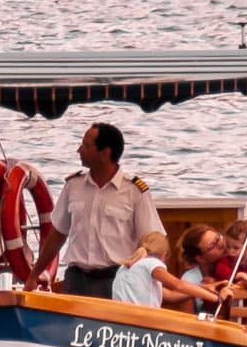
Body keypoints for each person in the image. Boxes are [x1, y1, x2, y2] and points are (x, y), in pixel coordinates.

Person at [30, 121, 163, 297]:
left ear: (105, 152)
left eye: (86, 145)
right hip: (76, 278)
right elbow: (58, 234)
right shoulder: (73, 185)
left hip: (116, 278)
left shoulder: (135, 190)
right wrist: (34, 274)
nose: (79, 150)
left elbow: (155, 237)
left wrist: (145, 250)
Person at [114, 230, 218, 311]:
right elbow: (178, 285)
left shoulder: (125, 267)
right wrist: (216, 298)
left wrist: (204, 288)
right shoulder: (151, 263)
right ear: (164, 254)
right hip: (141, 324)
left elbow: (170, 295)